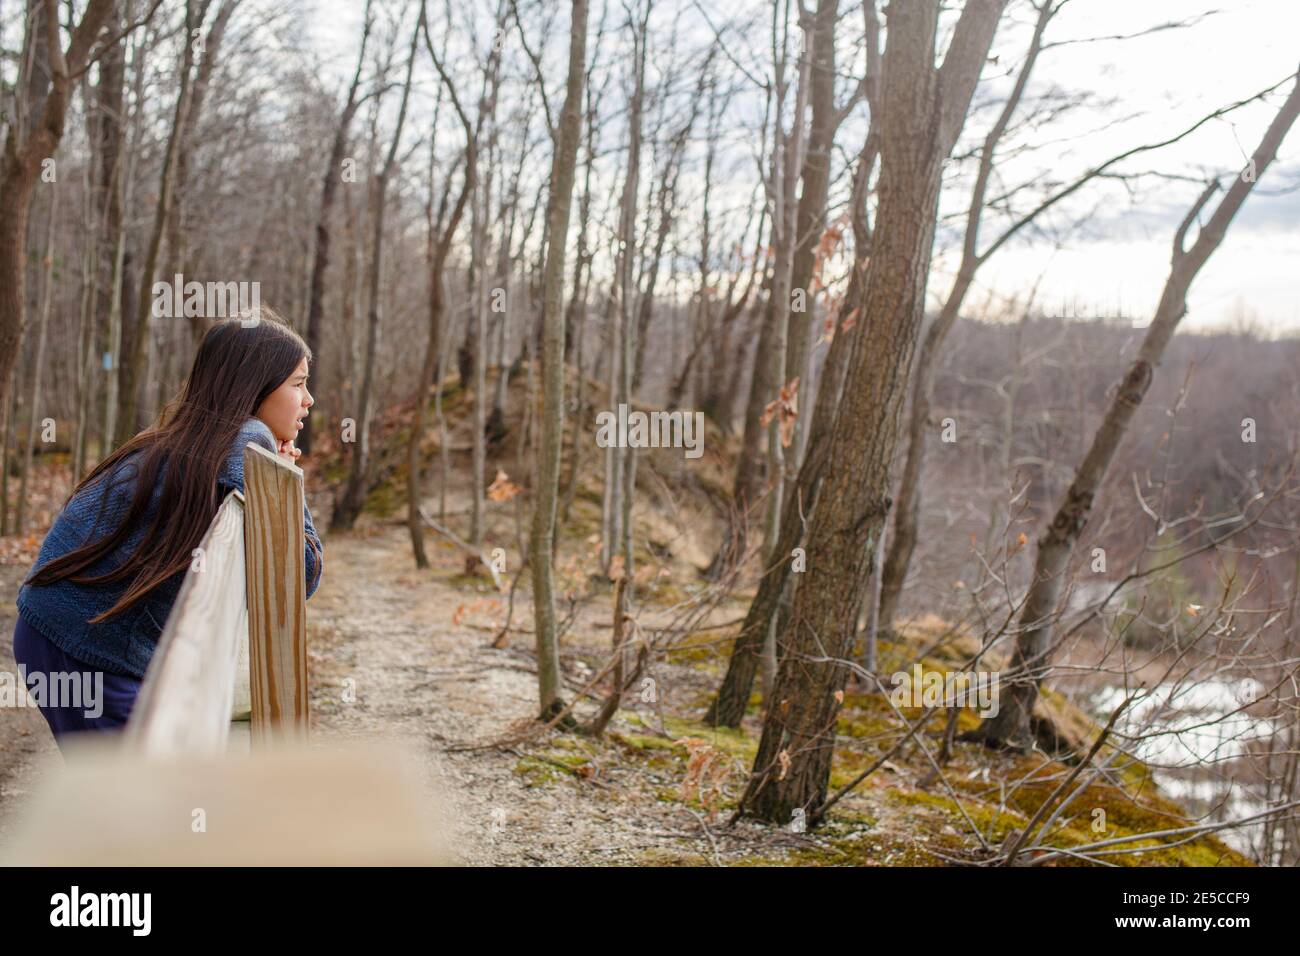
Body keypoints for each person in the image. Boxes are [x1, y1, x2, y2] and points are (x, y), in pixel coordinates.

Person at [11, 310, 323, 750]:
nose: (309, 399)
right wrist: (287, 479)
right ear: (254, 385)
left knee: (136, 795)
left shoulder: (200, 439)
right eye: (298, 383)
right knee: (142, 798)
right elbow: (302, 573)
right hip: (84, 650)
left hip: (63, 634)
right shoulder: (248, 438)